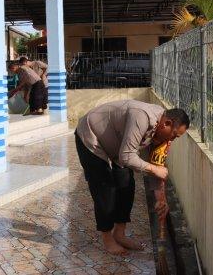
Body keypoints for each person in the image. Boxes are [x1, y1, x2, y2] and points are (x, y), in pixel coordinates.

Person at [75, 100, 189, 255]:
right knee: (105, 188)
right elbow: (127, 157)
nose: (171, 140)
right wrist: (154, 169)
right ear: (167, 123)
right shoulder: (142, 117)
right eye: (174, 136)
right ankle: (108, 239)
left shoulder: (161, 130)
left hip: (115, 145)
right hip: (91, 136)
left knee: (126, 184)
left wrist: (160, 198)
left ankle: (119, 234)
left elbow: (156, 164)